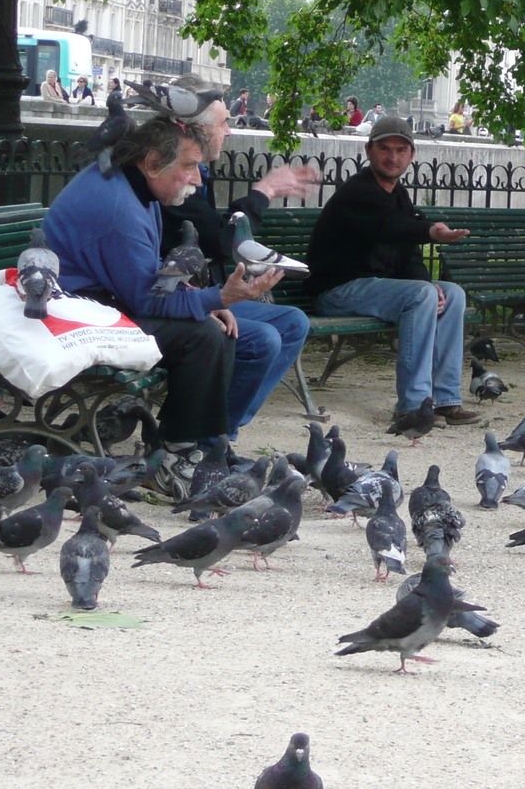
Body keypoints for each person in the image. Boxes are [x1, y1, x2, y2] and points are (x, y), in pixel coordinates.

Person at [43, 117, 283, 490]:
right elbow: (147, 299)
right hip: (77, 316)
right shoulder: (119, 208)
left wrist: (198, 297)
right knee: (203, 334)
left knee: (237, 334)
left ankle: (202, 447)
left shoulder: (134, 187)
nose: (198, 180)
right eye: (190, 166)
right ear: (153, 161)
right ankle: (175, 456)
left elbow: (148, 281)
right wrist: (217, 298)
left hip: (101, 303)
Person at [158, 78, 318, 441]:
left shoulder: (200, 167)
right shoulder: (174, 170)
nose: (229, 131)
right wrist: (265, 191)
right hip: (168, 295)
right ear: (195, 129)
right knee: (263, 338)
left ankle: (221, 431)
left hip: (198, 291)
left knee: (292, 322)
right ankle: (203, 438)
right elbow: (221, 237)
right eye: (223, 124)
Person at [306, 116, 480, 425]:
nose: (392, 157)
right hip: (337, 291)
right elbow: (390, 228)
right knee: (422, 294)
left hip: (376, 290)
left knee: (451, 294)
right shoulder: (358, 192)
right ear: (368, 150)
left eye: (401, 150)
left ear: (412, 155)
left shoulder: (398, 195)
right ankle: (413, 407)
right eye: (384, 148)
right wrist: (430, 232)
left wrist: (428, 283)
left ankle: (445, 401)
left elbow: (406, 251)